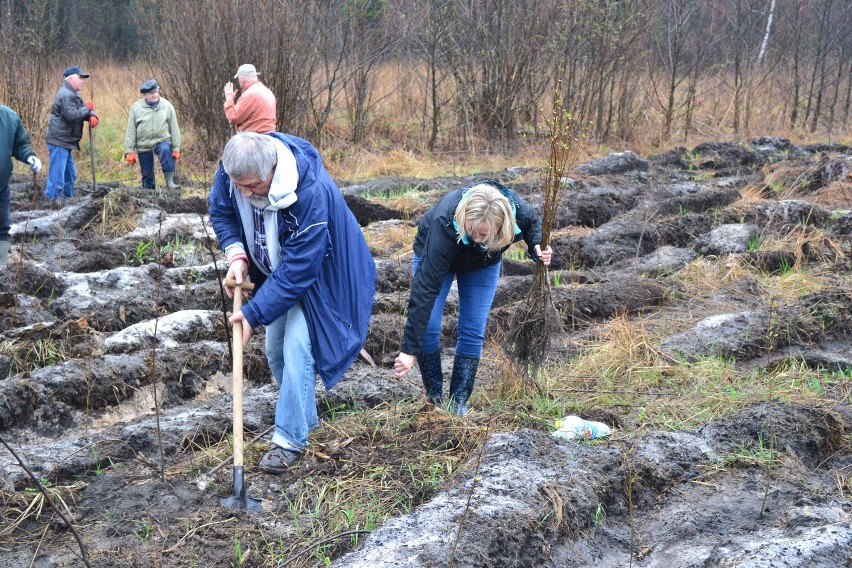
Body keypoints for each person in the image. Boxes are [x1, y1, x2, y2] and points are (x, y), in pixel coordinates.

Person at [208, 132, 375, 473]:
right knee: (275, 351)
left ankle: (289, 440)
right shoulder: (234, 171)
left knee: (299, 348)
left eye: (252, 186)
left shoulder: (308, 191)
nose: (244, 192)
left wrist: (252, 315)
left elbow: (300, 270)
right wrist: (238, 255)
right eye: (238, 184)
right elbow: (221, 211)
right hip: (279, 272)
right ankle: (308, 423)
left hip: (326, 275)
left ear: (271, 170)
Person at [393, 181, 553, 415]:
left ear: (501, 226)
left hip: (482, 263)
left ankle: (458, 404)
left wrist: (536, 246)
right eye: (471, 230)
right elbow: (425, 289)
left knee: (473, 328)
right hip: (439, 253)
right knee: (428, 325)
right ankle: (435, 400)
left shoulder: (518, 211)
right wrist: (408, 350)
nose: (477, 238)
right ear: (464, 216)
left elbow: (533, 224)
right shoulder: (445, 222)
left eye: (484, 234)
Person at [45, 66, 97, 200]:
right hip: (59, 141)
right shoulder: (65, 95)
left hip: (66, 141)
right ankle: (52, 204)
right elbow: (72, 116)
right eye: (80, 77)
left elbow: (81, 111)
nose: (83, 81)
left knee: (70, 175)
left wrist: (92, 115)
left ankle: (67, 201)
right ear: (71, 78)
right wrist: (87, 108)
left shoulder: (73, 94)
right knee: (57, 177)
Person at [0, 105, 41, 265]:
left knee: (2, 228)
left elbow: (20, 145)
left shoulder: (9, 117)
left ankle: (1, 268)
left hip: (1, 185)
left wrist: (30, 156)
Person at [124, 79, 182, 190]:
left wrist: (176, 148)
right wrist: (129, 151)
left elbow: (174, 128)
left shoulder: (167, 106)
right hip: (143, 144)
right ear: (145, 95)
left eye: (156, 92)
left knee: (165, 149)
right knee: (147, 176)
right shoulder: (136, 108)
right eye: (151, 93)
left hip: (162, 140)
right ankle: (148, 189)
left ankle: (170, 182)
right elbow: (131, 131)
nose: (155, 95)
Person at [222, 64, 276, 134]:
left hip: (255, 136)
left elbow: (233, 117)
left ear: (241, 79)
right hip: (271, 134)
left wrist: (229, 98)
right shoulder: (268, 92)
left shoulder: (249, 94)